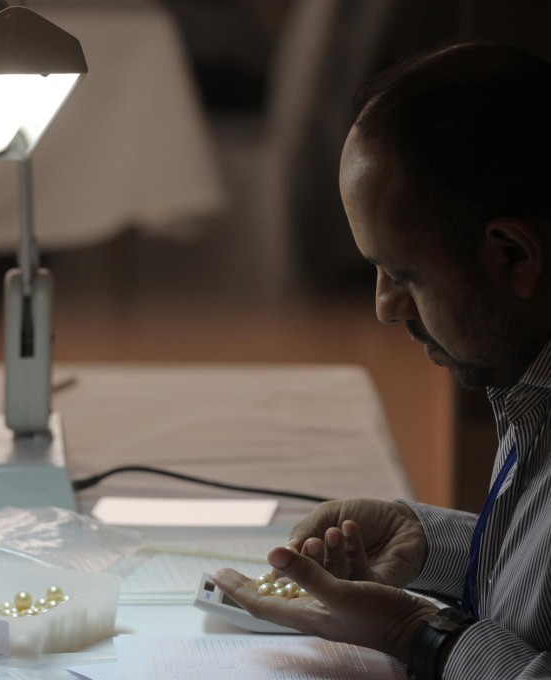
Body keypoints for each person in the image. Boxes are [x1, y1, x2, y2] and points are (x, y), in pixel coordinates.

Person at [212, 42, 551, 679]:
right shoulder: (528, 374)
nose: (385, 309)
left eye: (403, 274)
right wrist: (424, 539)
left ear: (513, 256)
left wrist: (415, 631)